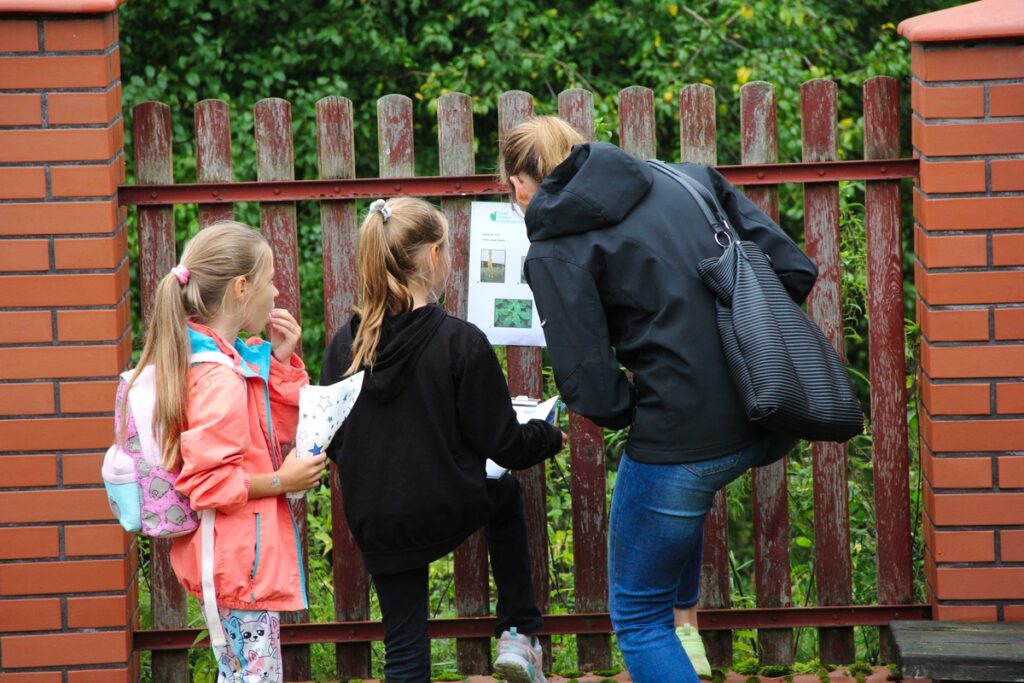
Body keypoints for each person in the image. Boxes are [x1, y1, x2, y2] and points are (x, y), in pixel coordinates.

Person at [500, 117, 818, 683]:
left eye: (510, 188)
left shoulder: (553, 245)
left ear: (525, 183)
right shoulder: (686, 178)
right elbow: (794, 269)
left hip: (681, 438)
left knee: (641, 619)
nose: (513, 199)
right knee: (673, 534)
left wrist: (641, 407)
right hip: (767, 410)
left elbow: (591, 388)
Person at [321, 197, 566, 683]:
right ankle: (518, 630)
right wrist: (547, 434)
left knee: (405, 651)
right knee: (502, 492)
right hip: (446, 503)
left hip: (379, 520)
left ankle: (511, 632)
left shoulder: (344, 344)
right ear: (433, 256)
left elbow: (331, 439)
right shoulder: (460, 342)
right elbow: (506, 446)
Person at [117, 221, 325, 682]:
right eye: (270, 282)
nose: (275, 295)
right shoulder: (220, 378)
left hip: (233, 558)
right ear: (241, 288)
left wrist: (284, 362)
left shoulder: (221, 358)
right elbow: (208, 485)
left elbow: (270, 432)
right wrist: (283, 482)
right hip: (237, 563)